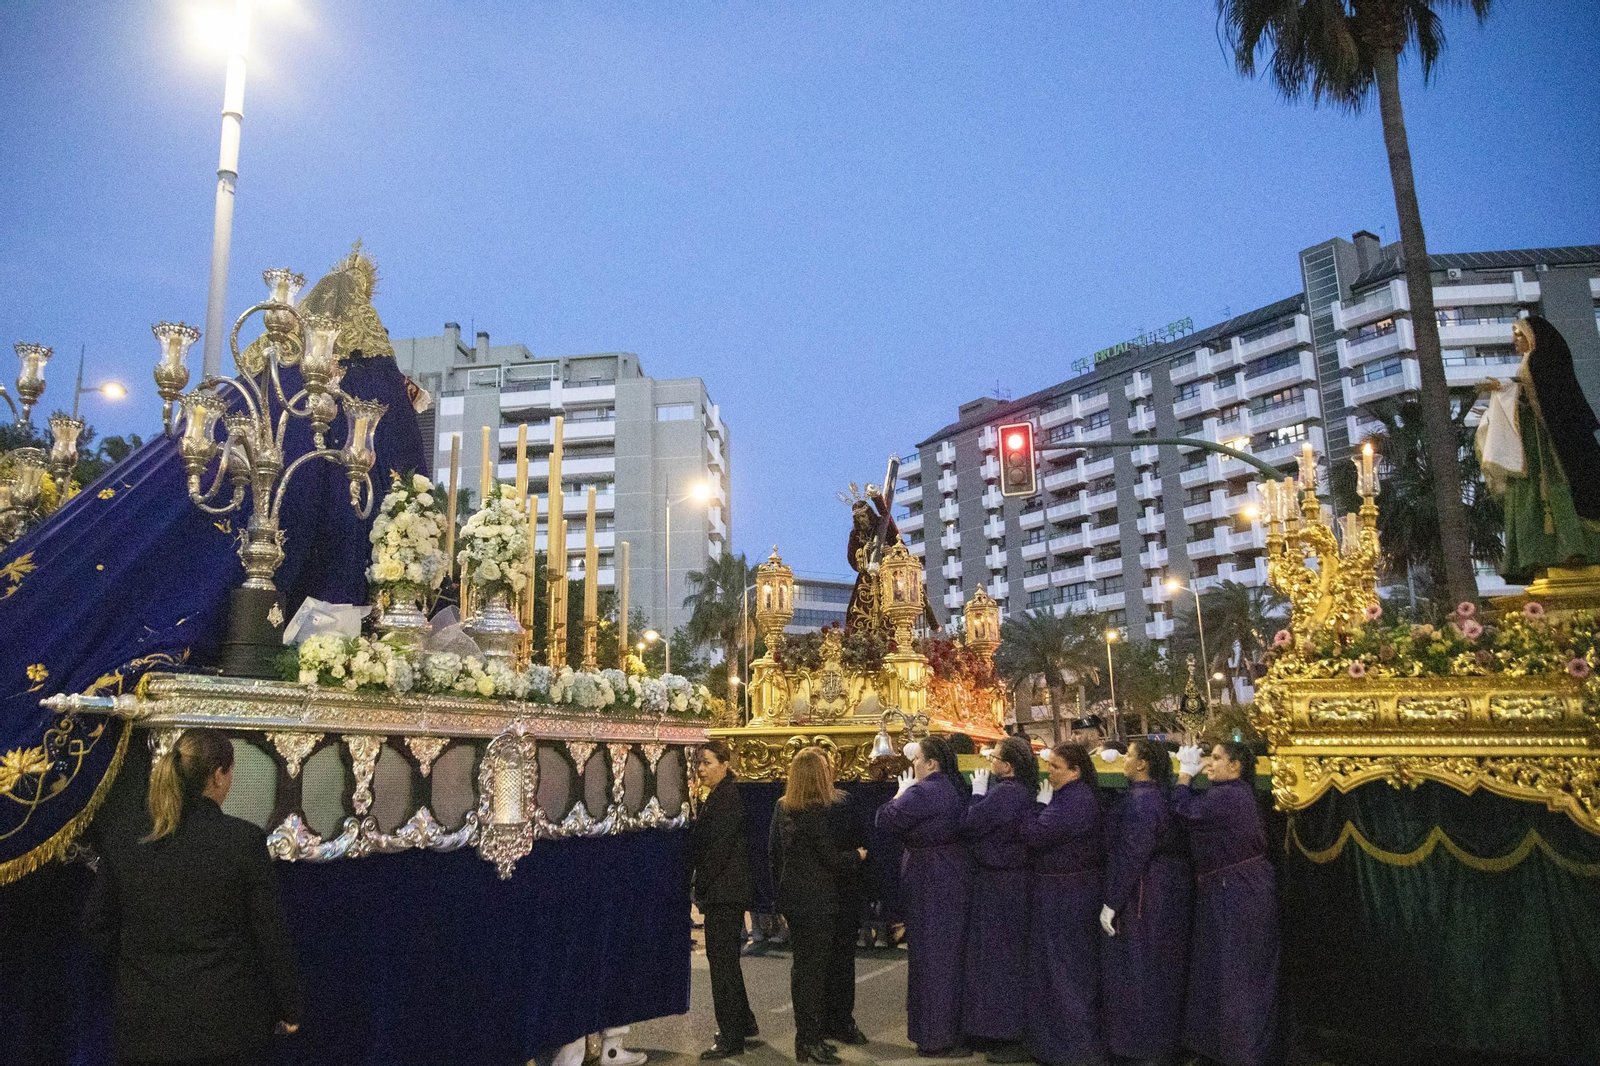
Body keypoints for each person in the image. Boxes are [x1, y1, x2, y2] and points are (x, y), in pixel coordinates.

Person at [83, 729, 302, 1066]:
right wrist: (290, 1007)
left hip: (143, 1025)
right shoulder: (242, 841)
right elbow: (270, 936)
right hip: (225, 1029)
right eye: (231, 773)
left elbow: (98, 926)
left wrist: (138, 972)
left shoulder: (125, 837)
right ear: (218, 775)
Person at [1173, 741, 1279, 1066]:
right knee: (1226, 972)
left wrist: (1184, 776)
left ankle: (1242, 1053)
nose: (1209, 764)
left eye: (1216, 758)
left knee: (1236, 974)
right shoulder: (1235, 793)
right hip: (1236, 888)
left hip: (1237, 892)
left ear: (1235, 767)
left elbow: (1184, 811)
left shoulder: (1227, 796)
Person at [1478, 315, 1600, 580]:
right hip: (1535, 439)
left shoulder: (1539, 360)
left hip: (1543, 443)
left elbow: (1540, 397)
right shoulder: (1532, 362)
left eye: (1520, 334)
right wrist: (1501, 395)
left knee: (1548, 489)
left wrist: (1504, 393)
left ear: (1534, 336)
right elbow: (1528, 390)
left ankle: (1565, 549)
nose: (1515, 340)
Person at [875, 736, 972, 1058]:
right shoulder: (953, 787)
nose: (912, 765)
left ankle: (933, 1037)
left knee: (931, 960)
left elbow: (885, 820)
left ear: (931, 763)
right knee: (945, 957)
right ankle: (943, 1032)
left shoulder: (925, 791)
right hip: (949, 875)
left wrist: (898, 795)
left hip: (930, 878)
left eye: (917, 759)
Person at [1101, 738, 1190, 1065]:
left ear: (1142, 765)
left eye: (1129, 755)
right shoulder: (1157, 796)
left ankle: (1140, 1048)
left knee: (1139, 969)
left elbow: (1132, 852)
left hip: (1144, 894)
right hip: (1161, 890)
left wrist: (1112, 901)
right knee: (1158, 968)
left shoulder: (1141, 801)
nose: (1124, 759)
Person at [770, 747, 861, 1064]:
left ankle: (808, 1039)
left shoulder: (784, 808)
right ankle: (809, 1041)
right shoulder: (814, 815)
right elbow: (833, 861)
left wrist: (780, 898)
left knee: (804, 971)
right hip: (817, 904)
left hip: (795, 901)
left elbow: (774, 856)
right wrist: (859, 855)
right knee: (812, 975)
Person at [1021, 743, 1107, 1066]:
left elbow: (1034, 833)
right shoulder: (1076, 797)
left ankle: (1078, 1051)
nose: (1050, 772)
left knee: (1068, 973)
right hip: (1067, 890)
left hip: (1066, 894)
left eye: (1056, 767)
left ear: (1075, 771)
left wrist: (1037, 808)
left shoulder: (1075, 801)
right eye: (1050, 765)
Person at [959, 735, 1038, 1063]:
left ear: (1007, 766)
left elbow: (970, 823)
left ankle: (1005, 1034)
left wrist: (977, 797)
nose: (989, 763)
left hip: (999, 885)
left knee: (998, 960)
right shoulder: (1021, 792)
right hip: (1009, 882)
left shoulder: (1005, 794)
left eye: (994, 758)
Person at [693, 740, 759, 1060]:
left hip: (724, 892)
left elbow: (716, 851)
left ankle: (731, 1037)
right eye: (698, 764)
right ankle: (743, 1023)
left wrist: (700, 888)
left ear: (724, 763)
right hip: (728, 891)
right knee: (727, 962)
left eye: (706, 763)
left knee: (722, 966)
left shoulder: (726, 798)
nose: (701, 769)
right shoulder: (721, 795)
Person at [822, 765, 870, 1047]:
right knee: (841, 961)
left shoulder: (791, 807)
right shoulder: (843, 804)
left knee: (814, 966)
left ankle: (816, 1024)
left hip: (815, 896)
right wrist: (857, 857)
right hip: (842, 892)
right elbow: (860, 846)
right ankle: (841, 1022)